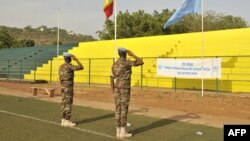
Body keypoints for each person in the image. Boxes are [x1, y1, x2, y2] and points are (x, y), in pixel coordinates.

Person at [110, 48, 144, 138]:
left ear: (118, 54)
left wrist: (113, 90)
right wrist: (132, 54)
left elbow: (111, 77)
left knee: (118, 109)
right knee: (124, 109)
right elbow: (140, 62)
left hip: (117, 89)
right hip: (124, 89)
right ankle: (123, 132)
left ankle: (118, 131)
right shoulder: (126, 62)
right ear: (125, 54)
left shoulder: (114, 64)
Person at [59, 52, 83, 127]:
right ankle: (67, 120)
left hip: (63, 86)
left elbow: (60, 78)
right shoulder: (69, 66)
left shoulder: (61, 66)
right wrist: (76, 59)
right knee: (68, 103)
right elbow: (81, 67)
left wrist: (62, 85)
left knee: (64, 103)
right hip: (68, 86)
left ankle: (63, 120)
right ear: (69, 58)